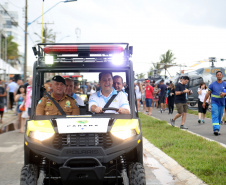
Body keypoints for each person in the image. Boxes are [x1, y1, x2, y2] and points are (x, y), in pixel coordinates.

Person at [203, 71, 226, 136]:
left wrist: (224, 94)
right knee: (215, 115)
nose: (219, 76)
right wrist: (204, 102)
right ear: (216, 76)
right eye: (218, 75)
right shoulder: (212, 84)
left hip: (222, 103)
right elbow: (208, 93)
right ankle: (216, 129)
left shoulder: (224, 84)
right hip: (214, 103)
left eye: (220, 75)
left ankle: (217, 129)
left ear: (222, 76)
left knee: (219, 117)